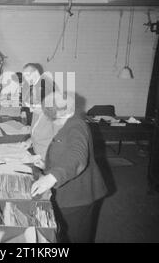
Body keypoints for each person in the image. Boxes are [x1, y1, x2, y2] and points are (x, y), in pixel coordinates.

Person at [31, 91, 108, 243]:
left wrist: (52, 177)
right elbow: (65, 153)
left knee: (75, 237)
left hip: (79, 196)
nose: (52, 121)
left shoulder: (76, 125)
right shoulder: (66, 122)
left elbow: (77, 157)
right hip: (68, 191)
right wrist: (48, 165)